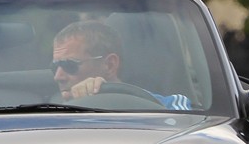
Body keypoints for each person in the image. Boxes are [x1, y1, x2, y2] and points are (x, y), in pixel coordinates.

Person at [52, 20, 192, 110]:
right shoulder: (45, 111)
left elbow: (187, 128)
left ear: (109, 65)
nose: (58, 76)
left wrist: (104, 91)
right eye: (55, 66)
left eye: (69, 65)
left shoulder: (168, 104)